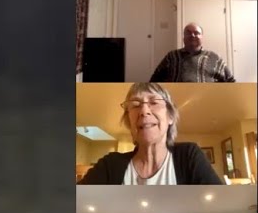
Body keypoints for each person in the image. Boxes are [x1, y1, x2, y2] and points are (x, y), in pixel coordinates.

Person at [78, 81, 222, 184]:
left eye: (154, 102)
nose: (144, 111)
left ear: (170, 117)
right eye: (135, 105)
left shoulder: (189, 156)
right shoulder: (109, 165)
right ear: (129, 121)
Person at [149, 24, 237, 82]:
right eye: (188, 33)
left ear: (202, 37)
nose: (192, 35)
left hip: (207, 101)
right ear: (183, 37)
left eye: (196, 33)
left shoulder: (214, 58)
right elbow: (155, 79)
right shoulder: (171, 56)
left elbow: (230, 81)